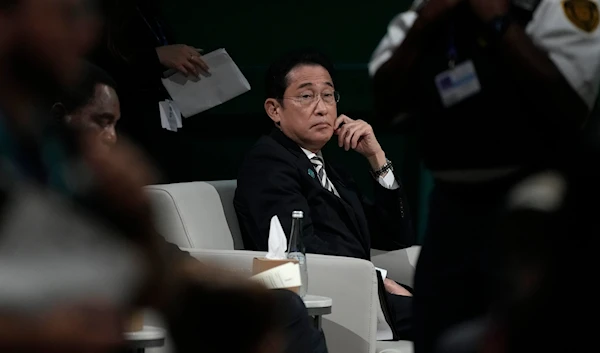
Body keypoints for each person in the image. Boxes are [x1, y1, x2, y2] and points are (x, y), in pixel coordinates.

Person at [368, 0, 600, 352]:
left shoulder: (553, 6)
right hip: (451, 207)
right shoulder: (430, 9)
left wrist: (496, 19)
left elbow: (569, 103)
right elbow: (385, 103)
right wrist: (425, 23)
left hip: (539, 207)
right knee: (437, 332)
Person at [54, 62, 329, 353]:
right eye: (101, 121)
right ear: (61, 117)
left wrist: (220, 281)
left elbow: (162, 257)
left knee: (282, 305)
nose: (111, 137)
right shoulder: (34, 186)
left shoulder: (94, 191)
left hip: (144, 299)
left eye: (114, 125)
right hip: (80, 317)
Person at [234, 49, 416, 340]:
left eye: (328, 95)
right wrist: (378, 279)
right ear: (274, 109)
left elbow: (395, 236)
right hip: (335, 302)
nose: (322, 108)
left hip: (367, 293)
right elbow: (299, 251)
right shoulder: (268, 164)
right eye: (306, 96)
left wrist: (377, 158)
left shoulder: (328, 166)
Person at [90, 0, 209, 182]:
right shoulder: (101, 12)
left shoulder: (151, 11)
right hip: (133, 123)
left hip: (168, 119)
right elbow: (99, 63)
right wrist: (156, 56)